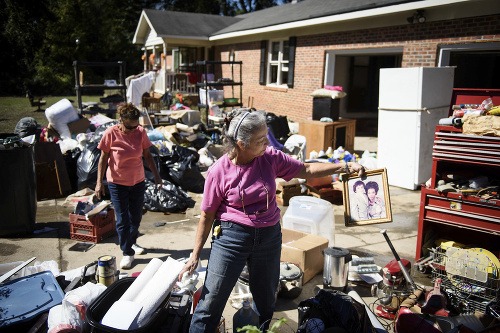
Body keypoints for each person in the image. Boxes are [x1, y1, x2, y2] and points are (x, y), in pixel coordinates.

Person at [178, 109, 365, 333]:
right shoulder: (219, 171)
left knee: (266, 302)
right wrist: (195, 255)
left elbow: (306, 169)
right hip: (231, 238)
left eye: (266, 136)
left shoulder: (271, 158)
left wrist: (343, 166)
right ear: (241, 143)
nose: (267, 142)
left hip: (269, 237)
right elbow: (207, 215)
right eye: (260, 140)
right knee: (210, 303)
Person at [95, 103, 162, 269]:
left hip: (138, 181)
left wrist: (157, 176)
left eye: (136, 126)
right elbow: (103, 159)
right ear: (121, 120)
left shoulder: (140, 132)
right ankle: (127, 252)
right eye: (129, 127)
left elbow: (147, 155)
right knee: (123, 219)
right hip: (117, 183)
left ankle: (131, 242)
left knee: (136, 217)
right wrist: (98, 183)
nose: (133, 130)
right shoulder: (111, 133)